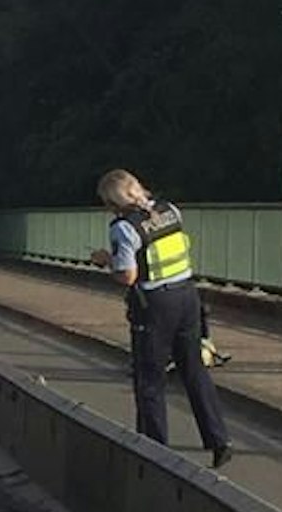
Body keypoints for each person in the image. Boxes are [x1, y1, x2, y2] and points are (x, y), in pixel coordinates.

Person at [89, 169, 233, 468]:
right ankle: (219, 440)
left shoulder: (124, 228)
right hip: (187, 297)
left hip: (154, 305)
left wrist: (106, 261)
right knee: (194, 370)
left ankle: (154, 454)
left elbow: (127, 276)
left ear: (112, 202)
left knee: (150, 380)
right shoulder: (171, 211)